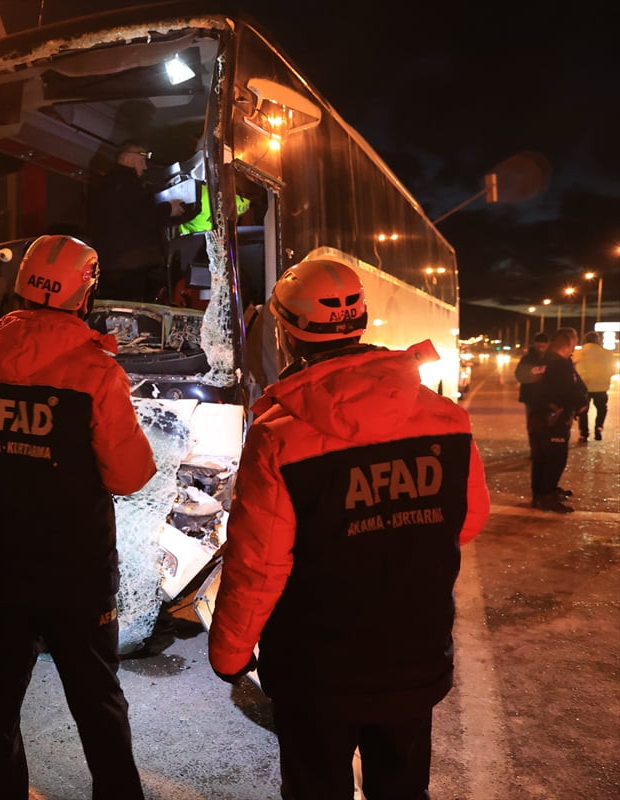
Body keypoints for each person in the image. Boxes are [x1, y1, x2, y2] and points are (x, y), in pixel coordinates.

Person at [206, 256, 491, 800]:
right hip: (413, 653)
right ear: (360, 323)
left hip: (317, 670)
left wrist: (230, 652)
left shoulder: (278, 437)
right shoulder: (443, 418)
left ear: (286, 333)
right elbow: (467, 520)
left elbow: (258, 564)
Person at [0, 234, 156, 800]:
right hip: (77, 574)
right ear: (85, 290)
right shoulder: (97, 374)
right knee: (97, 701)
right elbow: (129, 475)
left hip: (3, 566)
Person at [87, 139, 184, 302]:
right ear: (128, 158)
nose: (145, 167)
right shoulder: (127, 183)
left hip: (113, 263)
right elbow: (144, 217)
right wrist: (168, 208)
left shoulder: (108, 183)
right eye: (142, 160)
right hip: (129, 265)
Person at [528, 331, 589, 512]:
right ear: (566, 345)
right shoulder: (560, 365)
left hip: (539, 417)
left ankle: (540, 493)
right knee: (554, 459)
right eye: (573, 345)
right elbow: (569, 391)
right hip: (555, 420)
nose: (573, 350)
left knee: (541, 457)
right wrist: (576, 407)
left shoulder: (542, 363)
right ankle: (546, 496)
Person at [572, 331, 611, 442]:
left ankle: (584, 434)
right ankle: (599, 427)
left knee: (583, 410)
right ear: (597, 340)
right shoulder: (606, 353)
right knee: (602, 408)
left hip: (584, 386)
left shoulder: (579, 352)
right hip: (601, 387)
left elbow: (573, 366)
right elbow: (612, 369)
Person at [515, 331, 551, 452]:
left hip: (549, 399)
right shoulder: (527, 358)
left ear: (548, 345)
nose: (541, 348)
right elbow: (519, 375)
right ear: (534, 345)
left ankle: (545, 448)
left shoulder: (552, 358)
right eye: (538, 345)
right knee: (533, 426)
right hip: (531, 398)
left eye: (543, 345)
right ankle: (535, 449)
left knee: (548, 425)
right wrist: (535, 377)